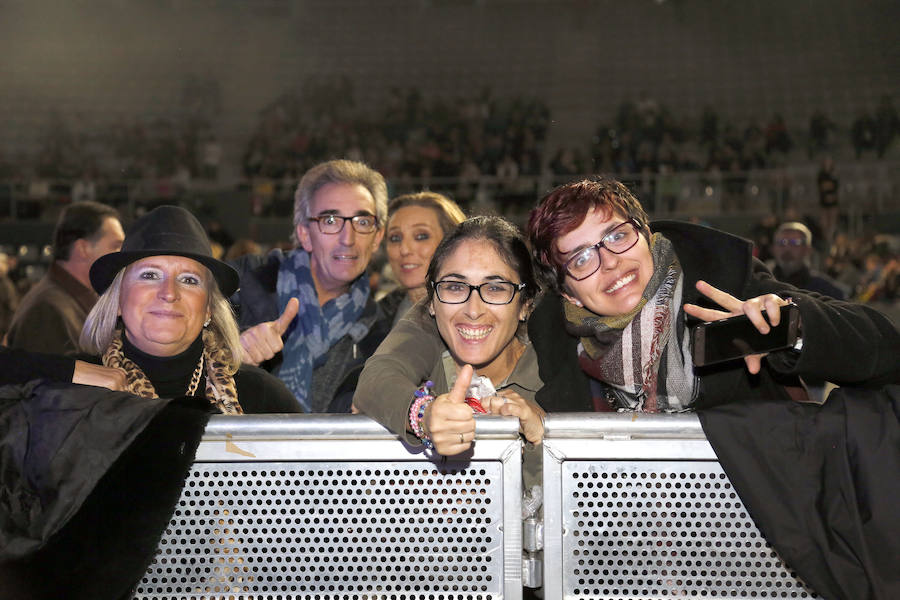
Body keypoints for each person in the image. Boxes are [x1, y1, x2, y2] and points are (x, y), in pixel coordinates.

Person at [524, 177, 899, 414]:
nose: (609, 262)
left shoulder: (726, 285)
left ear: (646, 235)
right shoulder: (552, 354)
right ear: (568, 293)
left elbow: (885, 351)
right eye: (581, 258)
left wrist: (789, 328)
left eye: (617, 235)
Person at [354, 216, 544, 457]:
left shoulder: (553, 371)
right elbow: (377, 378)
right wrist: (425, 415)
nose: (473, 310)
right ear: (431, 301)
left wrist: (546, 437)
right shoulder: (424, 340)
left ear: (525, 305)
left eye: (495, 288)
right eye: (455, 287)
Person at [79, 205, 298, 414]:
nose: (169, 293)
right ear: (118, 300)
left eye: (189, 280)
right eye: (150, 275)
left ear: (209, 308)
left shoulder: (261, 396)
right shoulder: (77, 389)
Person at [230, 159, 399, 413]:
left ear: (377, 238)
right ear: (305, 234)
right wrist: (230, 353)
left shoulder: (381, 336)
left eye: (362, 222)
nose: (348, 238)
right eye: (330, 220)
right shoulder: (240, 284)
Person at [5, 201, 124, 355]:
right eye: (115, 246)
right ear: (83, 248)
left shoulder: (70, 301)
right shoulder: (47, 311)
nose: (121, 255)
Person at [381, 191, 466, 327]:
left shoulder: (478, 311)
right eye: (395, 238)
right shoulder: (374, 320)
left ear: (452, 243)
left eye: (421, 236)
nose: (404, 249)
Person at [770, 221, 846, 299]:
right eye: (782, 242)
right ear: (773, 248)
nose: (787, 248)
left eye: (796, 243)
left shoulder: (826, 290)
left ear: (808, 250)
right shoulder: (765, 284)